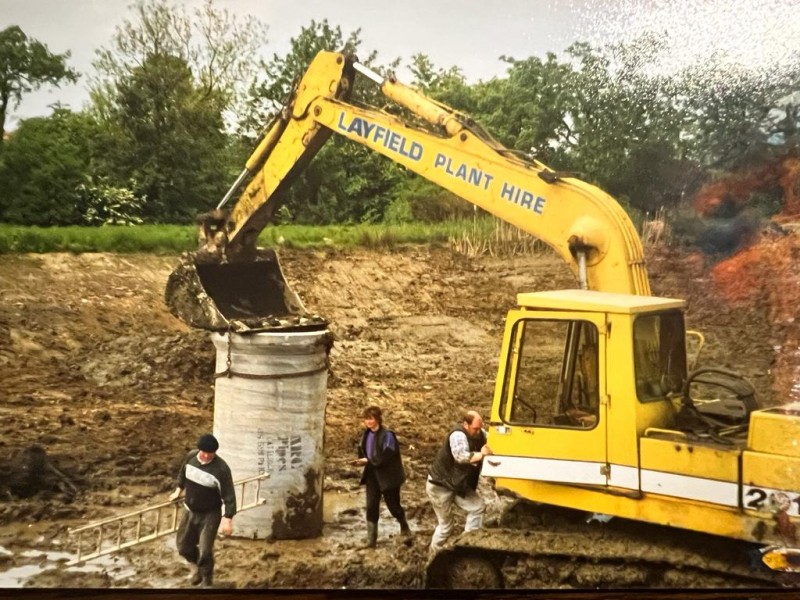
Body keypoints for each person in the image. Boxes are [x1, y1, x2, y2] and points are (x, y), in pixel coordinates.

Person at [169, 433, 237, 587]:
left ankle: (207, 579)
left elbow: (229, 495)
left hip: (210, 515)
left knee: (205, 550)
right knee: (183, 547)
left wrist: (228, 520)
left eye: (210, 454)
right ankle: (198, 568)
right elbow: (182, 475)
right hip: (190, 511)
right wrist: (177, 491)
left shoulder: (221, 469)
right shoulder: (191, 457)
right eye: (204, 452)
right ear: (199, 450)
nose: (206, 456)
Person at [426, 410, 493, 554]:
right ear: (465, 424)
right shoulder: (458, 435)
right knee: (446, 526)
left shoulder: (480, 433)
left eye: (479, 428)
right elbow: (461, 457)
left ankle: (467, 545)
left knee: (478, 507)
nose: (477, 432)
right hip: (440, 486)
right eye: (475, 428)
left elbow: (492, 441)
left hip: (457, 484)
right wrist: (481, 454)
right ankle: (433, 555)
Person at [353, 405, 411, 548]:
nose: (368, 422)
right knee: (371, 506)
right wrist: (362, 461)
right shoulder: (366, 434)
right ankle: (371, 541)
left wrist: (369, 461)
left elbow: (387, 456)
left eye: (371, 419)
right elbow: (364, 452)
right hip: (372, 474)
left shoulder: (388, 435)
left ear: (378, 419)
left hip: (388, 476)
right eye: (366, 419)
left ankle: (404, 525)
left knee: (393, 506)